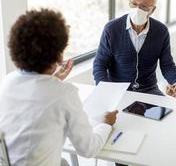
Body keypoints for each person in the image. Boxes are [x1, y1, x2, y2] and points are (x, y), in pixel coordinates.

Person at [0, 9, 118, 166]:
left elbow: (35, 95)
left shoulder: (7, 82)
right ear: (59, 55)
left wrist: (52, 79)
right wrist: (106, 124)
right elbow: (88, 149)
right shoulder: (64, 93)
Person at [93, 0, 176, 96]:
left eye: (144, 7)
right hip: (117, 91)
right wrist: (105, 90)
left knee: (168, 112)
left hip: (149, 90)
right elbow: (100, 64)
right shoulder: (112, 29)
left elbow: (167, 64)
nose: (137, 9)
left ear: (152, 10)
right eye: (133, 4)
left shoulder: (161, 31)